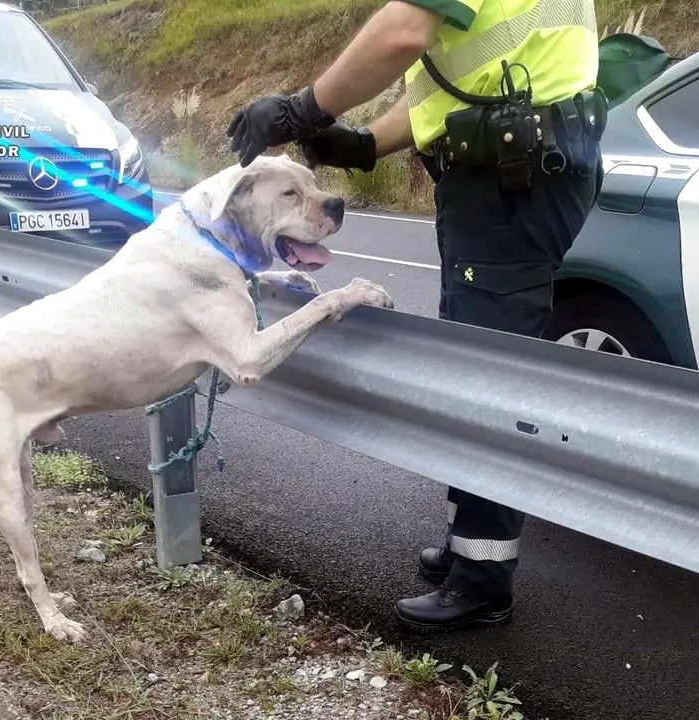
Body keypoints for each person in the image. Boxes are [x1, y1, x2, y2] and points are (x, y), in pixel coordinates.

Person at [226, 0, 606, 632]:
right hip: (507, 169)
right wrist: (364, 144)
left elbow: (402, 32)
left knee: (487, 373)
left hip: (515, 175)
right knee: (469, 358)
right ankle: (469, 545)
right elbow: (451, 85)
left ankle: (483, 581)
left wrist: (302, 109)